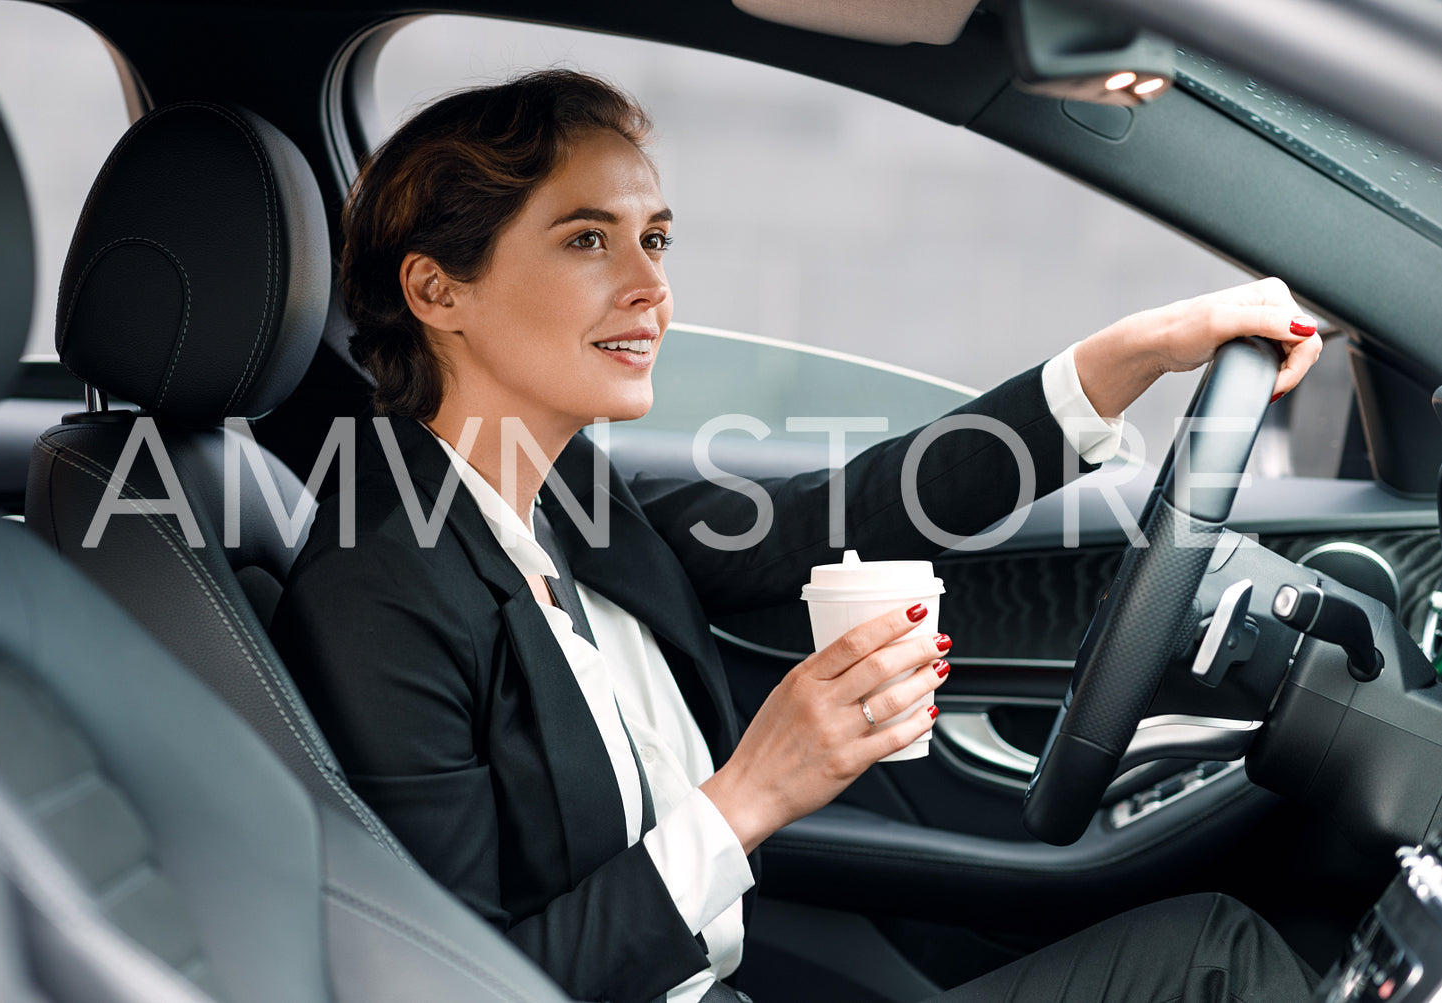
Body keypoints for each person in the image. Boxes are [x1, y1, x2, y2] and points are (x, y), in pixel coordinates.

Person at [271, 69, 1324, 1003]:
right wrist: (755, 792)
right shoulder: (380, 585)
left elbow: (840, 515)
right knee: (1214, 962)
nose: (651, 288)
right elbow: (460, 981)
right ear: (435, 289)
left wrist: (1131, 354)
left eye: (655, 238)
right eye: (586, 238)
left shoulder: (560, 493)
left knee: (1209, 944)